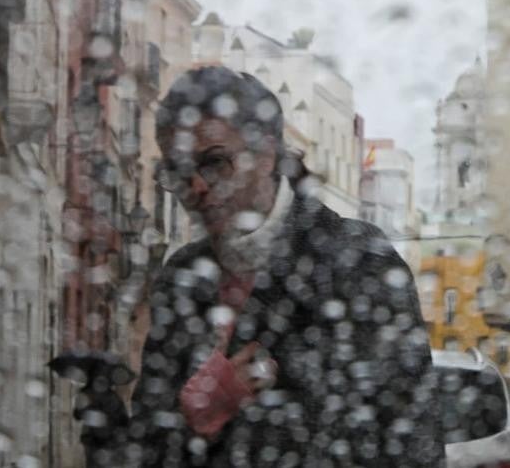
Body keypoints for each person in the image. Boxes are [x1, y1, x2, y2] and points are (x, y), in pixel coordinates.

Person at [103, 65, 442, 466]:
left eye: (214, 163)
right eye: (176, 171)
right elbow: (145, 446)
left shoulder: (356, 258)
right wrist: (202, 408)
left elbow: (407, 437)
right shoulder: (183, 276)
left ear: (265, 154)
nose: (195, 187)